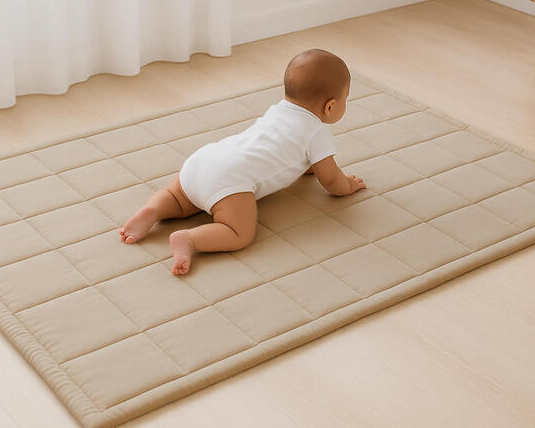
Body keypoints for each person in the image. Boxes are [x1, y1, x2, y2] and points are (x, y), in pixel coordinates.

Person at [120, 48, 366, 275]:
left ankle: (153, 210)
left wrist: (310, 165)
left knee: (177, 199)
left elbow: (291, 151)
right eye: (346, 98)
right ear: (330, 107)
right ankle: (190, 239)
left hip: (204, 159)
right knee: (239, 232)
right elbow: (331, 180)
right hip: (230, 181)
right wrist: (348, 185)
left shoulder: (278, 110)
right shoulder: (317, 132)